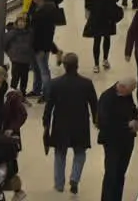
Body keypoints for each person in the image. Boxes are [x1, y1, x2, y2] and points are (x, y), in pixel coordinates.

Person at [42, 52, 98, 195]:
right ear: (77, 66)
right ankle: (75, 178)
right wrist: (97, 120)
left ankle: (59, 184)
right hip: (80, 123)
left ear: (65, 66)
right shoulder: (86, 83)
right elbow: (94, 104)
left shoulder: (55, 83)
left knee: (60, 153)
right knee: (80, 152)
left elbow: (49, 106)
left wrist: (46, 123)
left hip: (61, 123)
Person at [98, 77, 138, 201]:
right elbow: (103, 122)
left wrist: (136, 122)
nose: (130, 94)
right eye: (129, 91)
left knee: (120, 173)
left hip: (127, 141)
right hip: (112, 142)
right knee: (111, 173)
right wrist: (126, 125)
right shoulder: (107, 97)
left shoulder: (127, 95)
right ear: (122, 87)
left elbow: (133, 110)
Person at [84, 0, 122, 73]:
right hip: (108, 17)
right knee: (107, 38)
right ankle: (105, 59)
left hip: (96, 17)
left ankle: (96, 64)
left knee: (97, 41)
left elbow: (87, 4)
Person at [29, 0, 62, 101]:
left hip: (42, 46)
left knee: (43, 70)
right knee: (36, 69)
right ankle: (36, 89)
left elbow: (48, 33)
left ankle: (47, 94)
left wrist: (45, 48)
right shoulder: (34, 8)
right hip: (33, 44)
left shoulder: (47, 11)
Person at [5, 14, 34, 96]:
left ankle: (23, 93)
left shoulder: (29, 33)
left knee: (24, 77)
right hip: (16, 59)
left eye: (23, 22)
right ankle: (12, 92)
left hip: (26, 59)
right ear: (16, 22)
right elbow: (5, 44)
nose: (21, 23)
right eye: (20, 21)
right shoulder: (12, 33)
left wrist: (30, 54)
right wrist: (11, 54)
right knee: (15, 77)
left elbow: (32, 44)